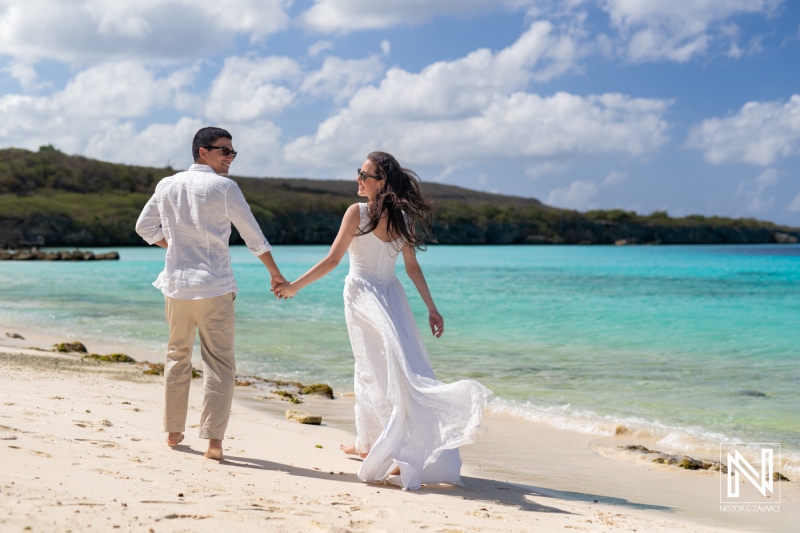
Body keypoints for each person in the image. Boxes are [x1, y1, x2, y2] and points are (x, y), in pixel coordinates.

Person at [275, 151, 492, 490]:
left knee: (373, 369)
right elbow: (412, 269)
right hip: (392, 297)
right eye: (359, 173)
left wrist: (293, 288)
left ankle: (380, 447)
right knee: (393, 369)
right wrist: (431, 308)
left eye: (364, 175)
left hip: (363, 294)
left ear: (382, 182)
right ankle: (371, 443)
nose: (358, 180)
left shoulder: (357, 212)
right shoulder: (402, 220)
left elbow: (333, 260)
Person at [135, 127, 286, 460]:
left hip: (176, 286)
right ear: (203, 151)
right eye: (224, 151)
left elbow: (144, 228)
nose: (230, 158)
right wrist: (275, 273)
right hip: (215, 286)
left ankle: (174, 431)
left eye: (233, 152)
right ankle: (214, 442)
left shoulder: (166, 185)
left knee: (177, 356)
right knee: (219, 364)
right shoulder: (224, 187)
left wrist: (174, 245)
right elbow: (253, 236)